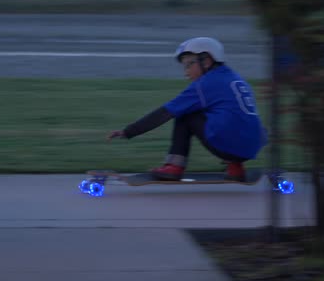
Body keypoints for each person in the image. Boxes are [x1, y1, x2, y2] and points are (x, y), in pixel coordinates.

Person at [107, 37, 266, 181]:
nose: (186, 73)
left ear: (206, 61)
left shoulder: (204, 84)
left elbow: (164, 113)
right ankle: (235, 168)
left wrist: (129, 131)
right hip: (252, 146)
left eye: (189, 64)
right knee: (224, 119)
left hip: (229, 147)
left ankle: (174, 166)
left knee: (184, 114)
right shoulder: (235, 78)